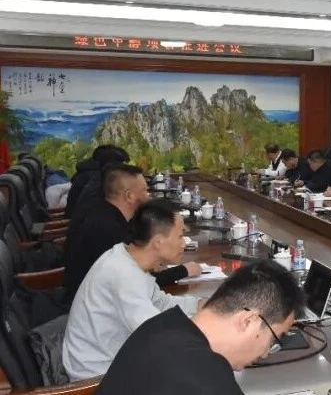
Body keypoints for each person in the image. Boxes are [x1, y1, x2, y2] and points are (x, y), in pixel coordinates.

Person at [95, 259, 304, 395]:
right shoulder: (209, 380)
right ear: (248, 320)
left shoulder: (161, 324)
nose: (266, 353)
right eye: (274, 338)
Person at [63, 199, 202, 381]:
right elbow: (157, 334)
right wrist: (206, 328)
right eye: (180, 236)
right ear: (158, 242)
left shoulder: (127, 258)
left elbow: (159, 302)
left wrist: (199, 305)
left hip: (115, 359)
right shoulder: (124, 275)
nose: (184, 243)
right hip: (97, 377)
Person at [62, 164, 200, 305]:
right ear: (129, 196)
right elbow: (135, 281)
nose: (149, 196)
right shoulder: (109, 229)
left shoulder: (105, 213)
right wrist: (181, 271)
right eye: (145, 191)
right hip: (86, 304)